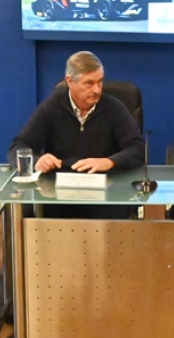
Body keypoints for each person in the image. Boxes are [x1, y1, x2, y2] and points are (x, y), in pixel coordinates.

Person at [9, 51, 144, 218]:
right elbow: (19, 146)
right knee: (31, 211)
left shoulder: (114, 108)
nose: (97, 90)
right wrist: (37, 161)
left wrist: (110, 161)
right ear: (70, 81)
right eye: (89, 83)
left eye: (100, 82)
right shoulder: (52, 107)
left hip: (106, 191)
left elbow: (137, 149)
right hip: (59, 192)